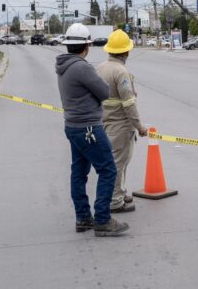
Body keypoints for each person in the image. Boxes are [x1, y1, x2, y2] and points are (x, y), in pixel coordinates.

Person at [55, 23, 129, 237]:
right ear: (86, 46)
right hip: (89, 128)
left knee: (79, 172)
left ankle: (83, 217)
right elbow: (104, 92)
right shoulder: (82, 67)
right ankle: (103, 220)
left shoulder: (64, 66)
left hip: (73, 126)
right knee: (108, 170)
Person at [96, 29, 148, 214]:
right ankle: (116, 201)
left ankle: (120, 192)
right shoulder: (121, 71)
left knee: (118, 161)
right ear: (126, 51)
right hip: (120, 125)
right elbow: (129, 103)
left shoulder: (100, 68)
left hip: (105, 122)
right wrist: (139, 126)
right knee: (119, 162)